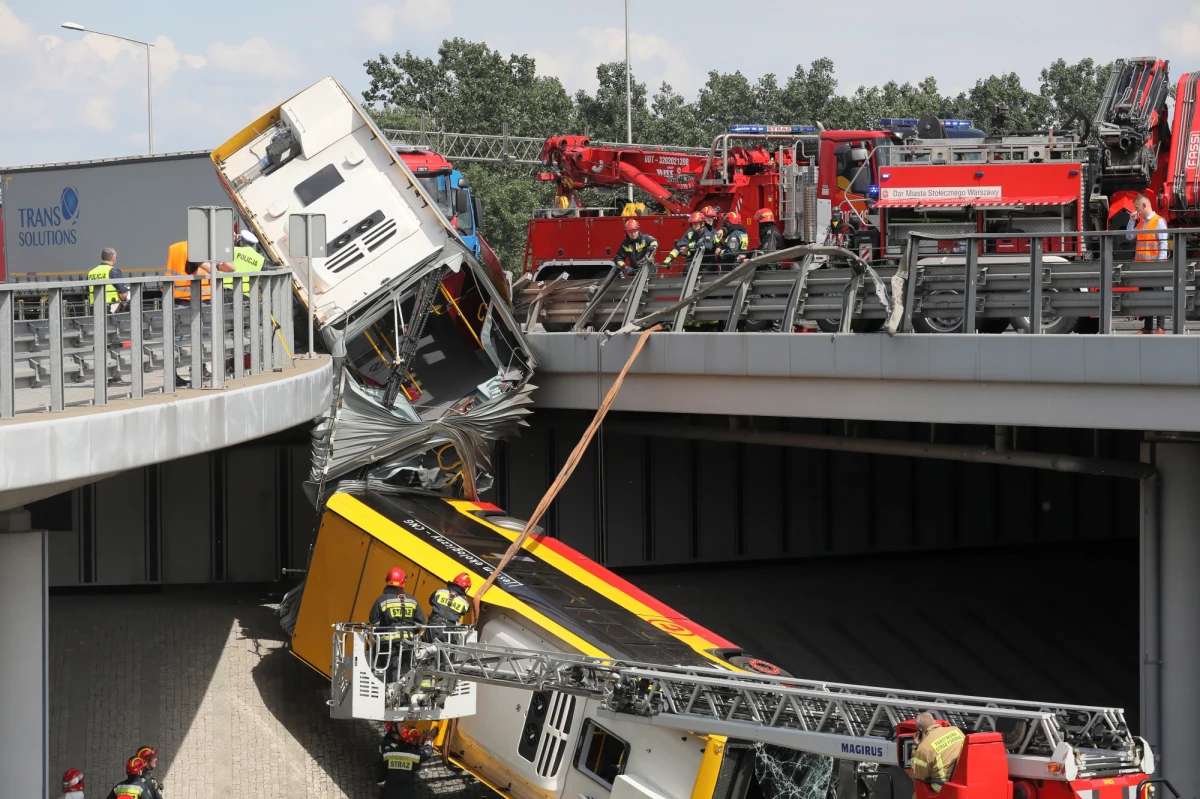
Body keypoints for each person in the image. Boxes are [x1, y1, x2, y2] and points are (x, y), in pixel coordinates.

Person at [368, 567, 426, 684]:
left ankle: (389, 696)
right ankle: (403, 697)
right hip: (408, 644)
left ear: (388, 581)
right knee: (405, 673)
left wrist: (384, 629)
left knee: (388, 674)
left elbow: (373, 622)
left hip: (387, 645)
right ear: (403, 583)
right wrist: (409, 631)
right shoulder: (412, 600)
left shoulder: (382, 600)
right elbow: (420, 623)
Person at [1125, 193, 1169, 333]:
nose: (1136, 211)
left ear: (1144, 206)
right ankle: (1148, 327)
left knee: (1158, 297)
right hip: (1142, 267)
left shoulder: (1158, 221)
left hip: (1154, 266)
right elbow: (1129, 236)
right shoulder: (1141, 223)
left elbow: (1163, 245)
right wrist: (1131, 221)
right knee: (1145, 297)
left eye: (1137, 208)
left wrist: (1160, 265)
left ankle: (1160, 327)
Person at [910, 712, 965, 796]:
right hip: (962, 780)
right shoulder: (956, 730)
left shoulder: (923, 748)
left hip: (941, 785)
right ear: (934, 722)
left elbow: (919, 776)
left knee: (916, 793)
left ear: (920, 730)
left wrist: (915, 747)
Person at [377, 723, 434, 799]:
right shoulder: (414, 755)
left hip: (389, 792)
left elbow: (382, 767)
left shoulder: (389, 751)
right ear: (412, 741)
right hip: (406, 793)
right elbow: (427, 752)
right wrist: (429, 739)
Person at [426, 572, 472, 641]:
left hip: (432, 627)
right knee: (444, 651)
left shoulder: (439, 592)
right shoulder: (465, 603)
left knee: (425, 647)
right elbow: (466, 611)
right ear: (465, 587)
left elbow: (431, 601)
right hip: (448, 632)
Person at [227, 229, 266, 296]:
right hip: (248, 293)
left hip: (229, 290)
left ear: (241, 242)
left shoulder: (234, 250)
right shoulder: (261, 259)